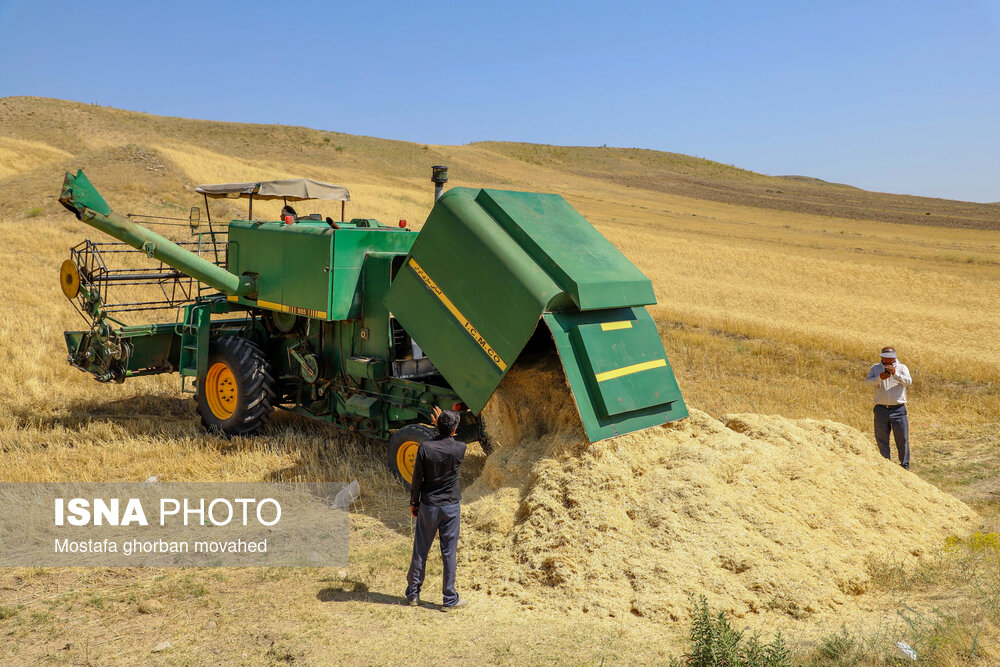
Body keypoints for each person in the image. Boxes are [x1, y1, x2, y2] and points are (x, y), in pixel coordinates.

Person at [405, 406, 468, 611]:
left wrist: (415, 503)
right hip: (451, 507)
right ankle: (449, 600)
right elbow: (448, 439)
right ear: (454, 430)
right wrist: (442, 426)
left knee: (421, 550)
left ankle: (413, 594)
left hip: (429, 505)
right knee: (449, 553)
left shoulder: (425, 448)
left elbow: (417, 480)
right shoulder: (460, 447)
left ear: (436, 425)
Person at [864, 346, 912, 469]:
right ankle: (886, 465)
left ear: (895, 358)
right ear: (882, 357)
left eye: (890, 359)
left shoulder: (902, 368)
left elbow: (908, 382)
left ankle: (904, 465)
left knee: (902, 439)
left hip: (898, 409)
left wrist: (895, 375)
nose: (888, 361)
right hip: (881, 409)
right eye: (885, 358)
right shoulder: (875, 368)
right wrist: (880, 378)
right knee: (882, 438)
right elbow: (868, 383)